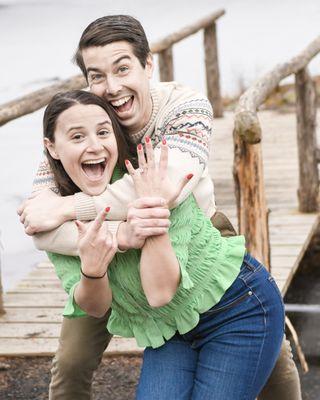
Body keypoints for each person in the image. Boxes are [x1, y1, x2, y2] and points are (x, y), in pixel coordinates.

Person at [17, 15, 301, 400]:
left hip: (198, 229)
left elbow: (164, 189)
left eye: (122, 69)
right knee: (71, 360)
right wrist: (118, 236)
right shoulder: (85, 125)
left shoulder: (184, 107)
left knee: (269, 345)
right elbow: (39, 219)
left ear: (148, 65)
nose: (112, 87)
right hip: (123, 272)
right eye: (97, 76)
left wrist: (72, 210)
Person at [42, 89, 285, 400]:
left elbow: (159, 292)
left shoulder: (147, 178)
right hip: (171, 329)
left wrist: (151, 209)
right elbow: (97, 306)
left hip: (236, 308)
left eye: (103, 132)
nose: (94, 145)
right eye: (77, 137)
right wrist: (95, 269)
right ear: (52, 147)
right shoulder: (53, 211)